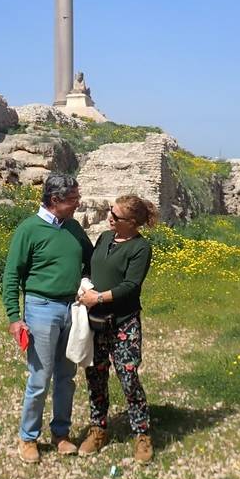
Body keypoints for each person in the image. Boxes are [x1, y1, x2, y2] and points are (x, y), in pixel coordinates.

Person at [3, 173, 93, 465]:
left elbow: (91, 259)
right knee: (40, 378)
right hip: (40, 309)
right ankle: (28, 438)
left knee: (66, 377)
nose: (78, 204)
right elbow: (12, 275)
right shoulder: (28, 229)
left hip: (72, 309)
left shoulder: (74, 228)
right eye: (73, 200)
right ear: (55, 200)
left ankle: (61, 434)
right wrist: (15, 317)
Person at [78, 195, 156, 464]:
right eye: (111, 211)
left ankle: (142, 434)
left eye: (116, 215)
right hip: (96, 323)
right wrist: (85, 285)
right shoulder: (103, 239)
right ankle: (98, 429)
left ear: (132, 223)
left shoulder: (140, 248)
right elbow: (90, 268)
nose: (109, 217)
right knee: (95, 376)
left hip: (124, 322)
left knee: (129, 378)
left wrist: (98, 298)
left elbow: (131, 286)